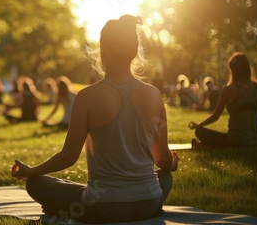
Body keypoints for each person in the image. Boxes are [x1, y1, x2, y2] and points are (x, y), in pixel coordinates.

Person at [12, 15, 179, 224]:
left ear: (103, 49)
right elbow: (162, 159)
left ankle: (64, 205)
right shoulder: (154, 94)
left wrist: (32, 171)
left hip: (104, 207)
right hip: (150, 203)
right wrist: (170, 165)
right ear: (135, 51)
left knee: (36, 184)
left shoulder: (87, 97)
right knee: (165, 176)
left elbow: (68, 157)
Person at [189, 52, 257, 149]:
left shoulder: (229, 90)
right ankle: (203, 146)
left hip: (237, 141)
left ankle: (202, 146)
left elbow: (215, 116)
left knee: (199, 131)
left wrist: (198, 125)